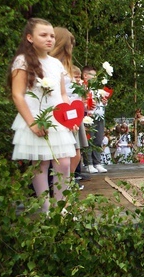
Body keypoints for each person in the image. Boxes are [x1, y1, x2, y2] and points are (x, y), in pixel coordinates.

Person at [8, 18, 76, 212]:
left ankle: (62, 208)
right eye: (43, 35)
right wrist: (32, 123)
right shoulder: (23, 61)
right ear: (30, 37)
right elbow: (17, 94)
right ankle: (46, 210)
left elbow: (62, 95)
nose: (50, 39)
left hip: (57, 119)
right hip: (36, 118)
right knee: (41, 163)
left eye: (52, 36)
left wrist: (70, 118)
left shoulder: (55, 64)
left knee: (64, 162)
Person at [50, 27, 89, 185]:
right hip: (60, 115)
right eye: (70, 45)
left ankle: (66, 185)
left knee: (75, 155)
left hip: (72, 114)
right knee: (65, 157)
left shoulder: (65, 67)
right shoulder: (53, 67)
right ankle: (59, 186)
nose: (72, 49)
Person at [82, 65, 108, 173]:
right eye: (92, 75)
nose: (95, 77)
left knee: (98, 139)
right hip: (89, 117)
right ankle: (88, 163)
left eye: (95, 75)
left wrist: (105, 102)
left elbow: (103, 103)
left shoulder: (98, 89)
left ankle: (97, 162)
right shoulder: (83, 87)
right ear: (85, 75)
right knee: (89, 140)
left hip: (99, 116)